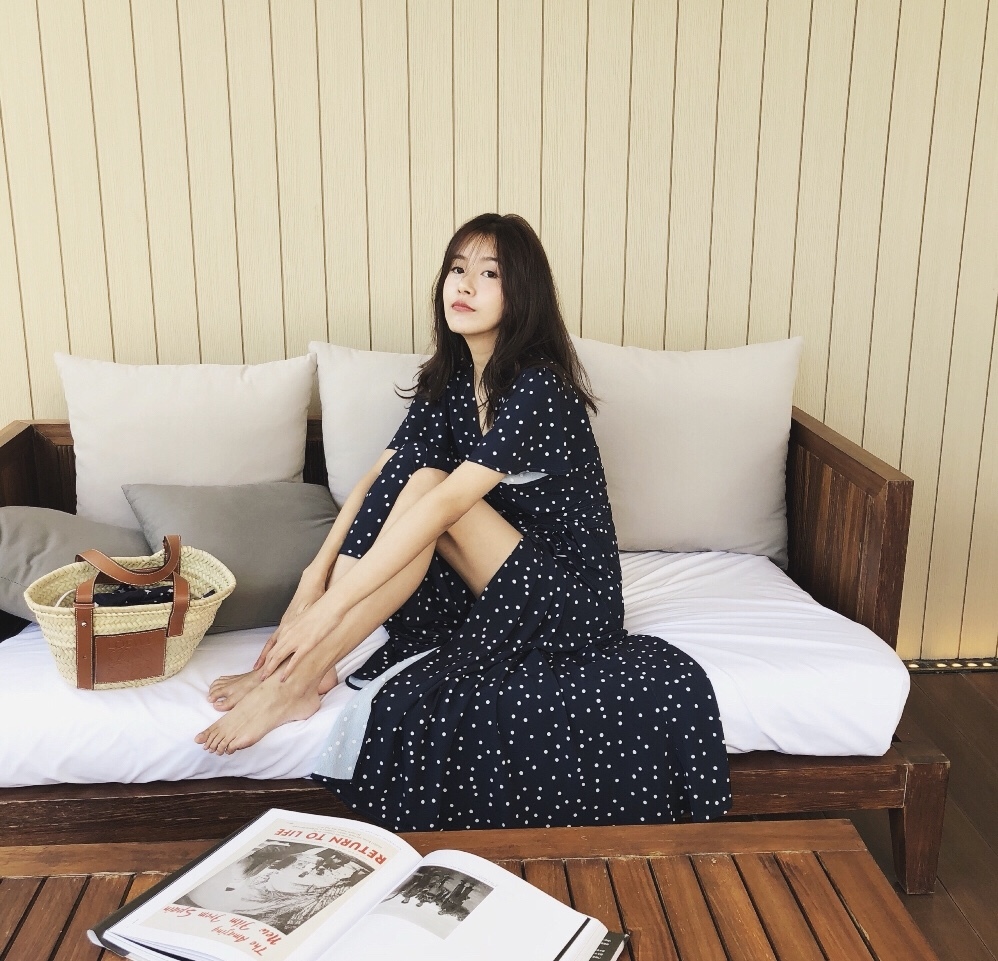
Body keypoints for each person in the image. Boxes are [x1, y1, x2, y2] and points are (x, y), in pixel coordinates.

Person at [196, 213, 731, 831]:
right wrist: (312, 580)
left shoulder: (539, 387)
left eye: (489, 274)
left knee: (431, 487)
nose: (466, 285)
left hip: (569, 598)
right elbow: (378, 475)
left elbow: (447, 506)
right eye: (457, 269)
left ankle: (302, 673)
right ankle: (305, 668)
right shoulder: (451, 380)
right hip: (499, 577)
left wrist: (326, 612)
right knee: (412, 473)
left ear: (521, 292)